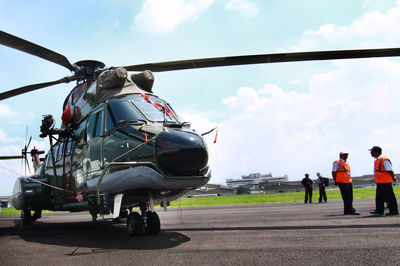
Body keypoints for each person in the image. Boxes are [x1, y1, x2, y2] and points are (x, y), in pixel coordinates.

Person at [369, 146, 399, 216]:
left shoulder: (384, 160)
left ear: (377, 152)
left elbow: (389, 170)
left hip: (385, 181)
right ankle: (379, 210)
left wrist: (393, 178)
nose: (371, 153)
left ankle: (393, 210)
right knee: (379, 197)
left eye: (372, 152)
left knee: (390, 197)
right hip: (380, 181)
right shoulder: (377, 160)